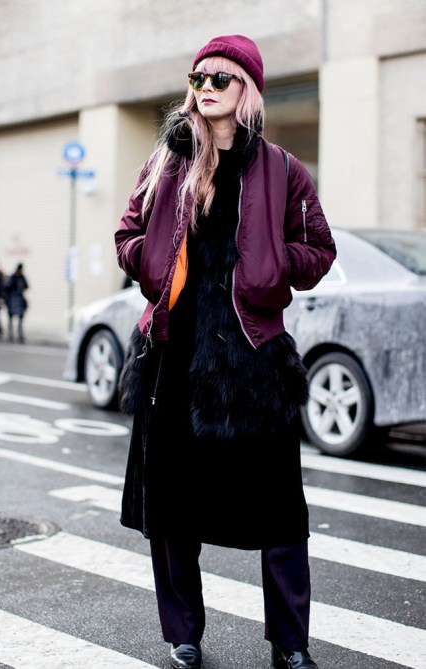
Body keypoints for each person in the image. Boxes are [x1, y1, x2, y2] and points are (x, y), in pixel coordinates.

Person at [115, 34, 336, 669]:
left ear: (248, 91)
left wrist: (272, 266)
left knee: (280, 513)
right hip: (174, 356)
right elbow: (127, 234)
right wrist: (153, 263)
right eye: (199, 77)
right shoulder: (166, 162)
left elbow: (319, 249)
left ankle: (290, 644)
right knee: (172, 510)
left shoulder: (282, 169)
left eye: (221, 78)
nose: (206, 88)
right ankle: (184, 634)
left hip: (255, 359)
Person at [5, 263, 29, 343]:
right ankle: (10, 335)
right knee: (11, 319)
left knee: (20, 319)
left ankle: (20, 335)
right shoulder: (12, 277)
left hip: (19, 300)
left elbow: (27, 286)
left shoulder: (22, 277)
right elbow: (7, 288)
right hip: (12, 300)